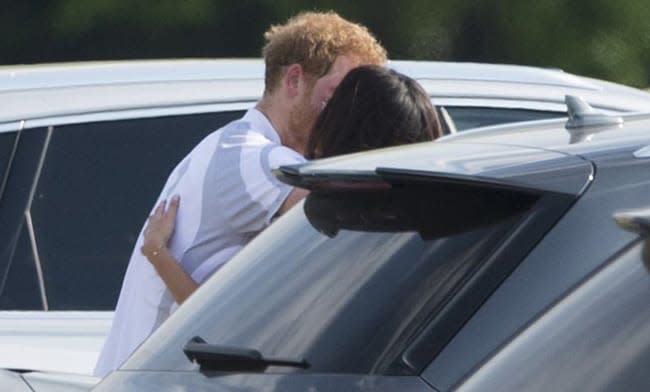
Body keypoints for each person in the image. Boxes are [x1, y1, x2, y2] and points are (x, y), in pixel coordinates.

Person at [93, 11, 387, 377]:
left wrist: (157, 252)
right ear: (294, 79)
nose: (343, 117)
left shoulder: (229, 145)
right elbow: (361, 229)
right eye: (334, 100)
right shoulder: (258, 161)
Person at [140, 64, 442, 307]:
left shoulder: (323, 225)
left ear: (342, 125)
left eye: (330, 105)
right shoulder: (446, 221)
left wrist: (157, 251)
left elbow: (215, 330)